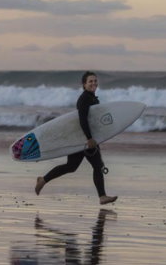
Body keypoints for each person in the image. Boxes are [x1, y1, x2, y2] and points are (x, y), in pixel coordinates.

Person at [34, 71, 118, 205]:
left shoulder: (93, 98)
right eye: (90, 81)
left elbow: (94, 121)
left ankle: (43, 180)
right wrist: (89, 138)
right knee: (92, 166)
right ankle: (102, 196)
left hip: (84, 138)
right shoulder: (84, 99)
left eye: (95, 81)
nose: (93, 83)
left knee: (73, 166)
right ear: (84, 85)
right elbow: (82, 120)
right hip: (83, 138)